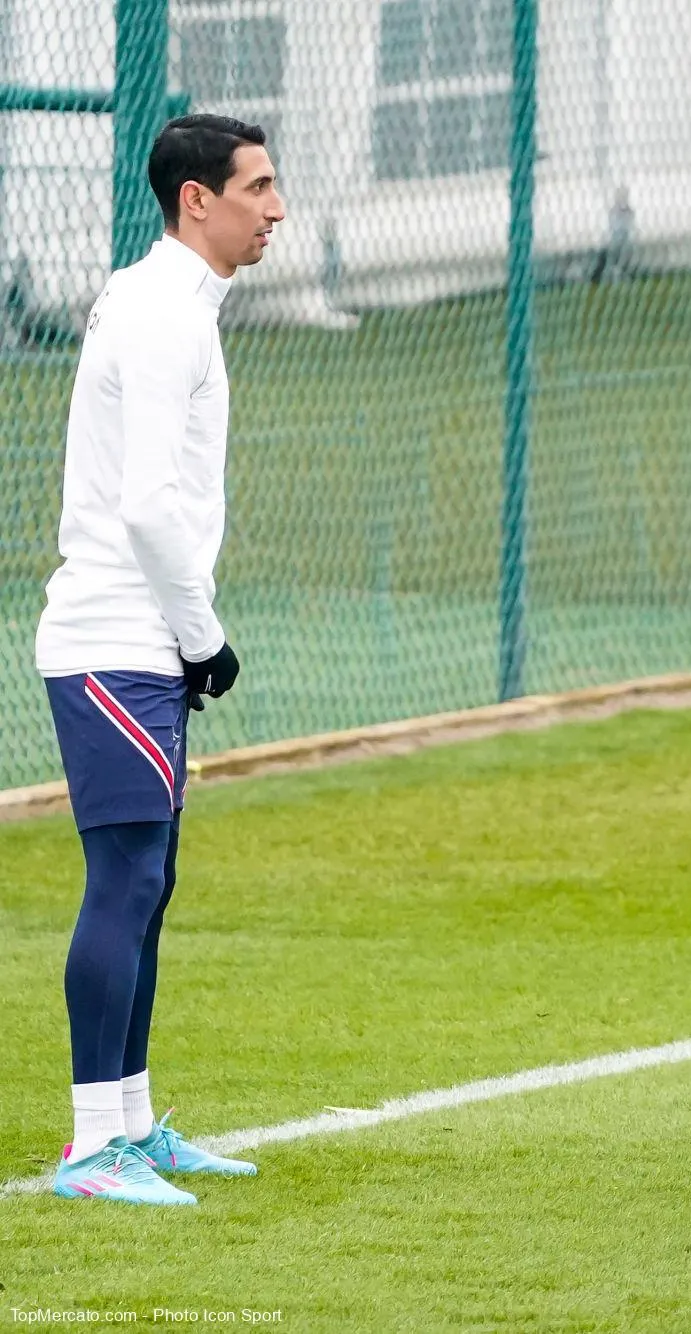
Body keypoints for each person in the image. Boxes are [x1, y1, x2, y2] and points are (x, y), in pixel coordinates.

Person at [36, 115, 284, 1205]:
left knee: (152, 879)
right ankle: (93, 1149)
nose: (277, 208)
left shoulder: (173, 304)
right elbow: (145, 503)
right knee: (126, 877)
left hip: (142, 640)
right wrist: (202, 634)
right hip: (115, 637)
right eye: (259, 187)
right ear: (199, 200)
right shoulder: (159, 313)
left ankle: (131, 1123)